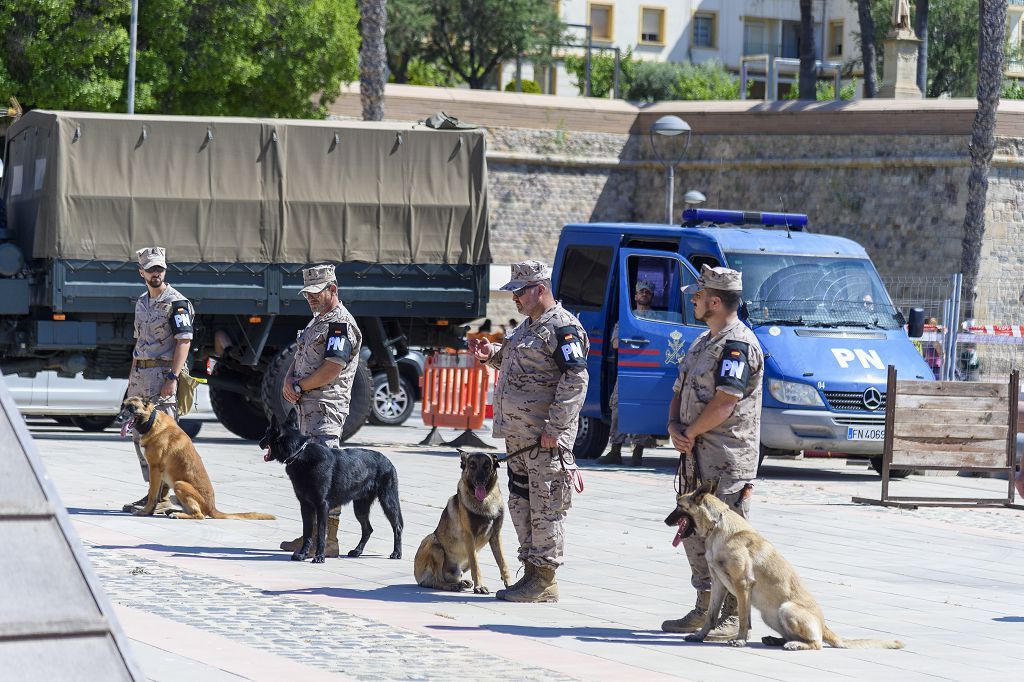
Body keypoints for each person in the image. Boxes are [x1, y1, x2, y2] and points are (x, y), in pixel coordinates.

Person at [468, 260, 588, 603]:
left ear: (540, 288)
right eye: (513, 292)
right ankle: (531, 573)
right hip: (520, 441)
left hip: (544, 441)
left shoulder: (563, 328)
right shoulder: (527, 327)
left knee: (546, 506)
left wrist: (557, 427)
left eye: (520, 291)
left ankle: (545, 579)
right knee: (522, 505)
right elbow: (511, 361)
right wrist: (490, 355)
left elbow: (576, 378)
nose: (515, 298)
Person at [661, 265, 764, 641]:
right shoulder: (702, 341)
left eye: (699, 295)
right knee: (694, 533)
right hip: (694, 456)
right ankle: (705, 606)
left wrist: (689, 431)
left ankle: (732, 616)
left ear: (716, 301)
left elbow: (725, 403)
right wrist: (675, 427)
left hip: (724, 461)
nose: (694, 299)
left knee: (729, 541)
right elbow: (678, 391)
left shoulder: (738, 345)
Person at [279, 264, 362, 557]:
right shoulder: (318, 321)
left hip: (325, 408)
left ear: (333, 289)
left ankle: (328, 540)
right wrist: (290, 379)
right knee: (307, 476)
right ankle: (310, 536)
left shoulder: (340, 325)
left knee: (325, 474)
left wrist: (299, 386)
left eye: (317, 293)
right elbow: (300, 356)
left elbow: (331, 369)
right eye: (308, 294)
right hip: (307, 410)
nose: (311, 298)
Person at [122, 247, 195, 513]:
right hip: (140, 377)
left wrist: (173, 377)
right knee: (139, 437)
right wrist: (131, 379)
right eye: (151, 269)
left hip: (162, 376)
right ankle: (152, 491)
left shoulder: (176, 303)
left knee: (161, 439)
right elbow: (138, 343)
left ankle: (163, 497)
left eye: (160, 269)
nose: (156, 273)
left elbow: (183, 341)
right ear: (141, 272)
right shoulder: (142, 302)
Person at [598, 280, 659, 466]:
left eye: (648, 292)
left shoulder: (658, 319)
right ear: (635, 295)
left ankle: (637, 454)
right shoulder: (626, 318)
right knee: (618, 407)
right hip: (627, 370)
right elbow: (616, 343)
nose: (644, 294)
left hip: (647, 370)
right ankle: (615, 450)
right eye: (641, 291)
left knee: (643, 410)